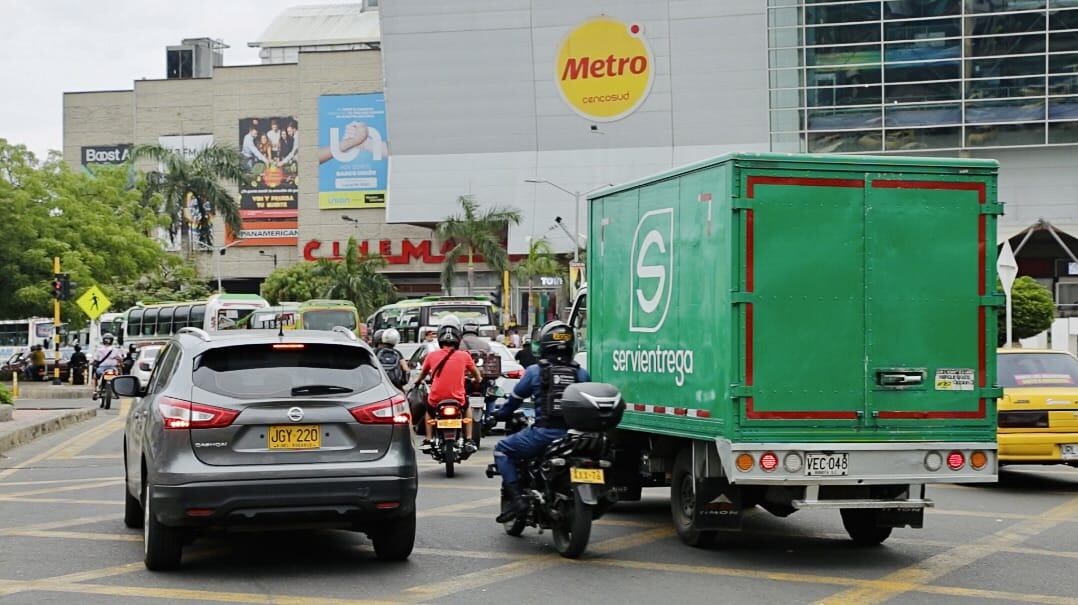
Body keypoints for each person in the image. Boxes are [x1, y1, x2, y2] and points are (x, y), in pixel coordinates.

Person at [493, 320, 590, 523]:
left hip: (543, 435)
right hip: (576, 438)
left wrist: (500, 414)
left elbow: (513, 401)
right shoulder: (581, 373)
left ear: (544, 345)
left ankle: (519, 500)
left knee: (502, 449)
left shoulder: (535, 372)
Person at [407, 317, 482, 453]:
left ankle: (429, 439)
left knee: (429, 411)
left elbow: (422, 374)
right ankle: (469, 439)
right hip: (458, 398)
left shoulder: (431, 356)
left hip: (436, 398)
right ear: (458, 339)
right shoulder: (464, 356)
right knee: (467, 408)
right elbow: (477, 375)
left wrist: (417, 382)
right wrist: (477, 380)